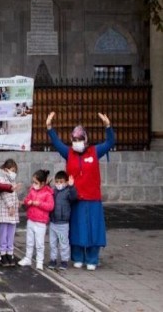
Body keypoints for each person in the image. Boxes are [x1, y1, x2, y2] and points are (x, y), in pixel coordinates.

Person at [46, 111, 114, 270]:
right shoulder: (68, 153)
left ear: (86, 139)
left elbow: (110, 142)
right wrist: (49, 127)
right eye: (74, 139)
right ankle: (77, 256)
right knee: (76, 228)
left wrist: (108, 126)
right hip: (75, 199)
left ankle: (92, 258)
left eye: (80, 139)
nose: (77, 142)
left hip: (92, 199)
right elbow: (56, 142)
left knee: (93, 229)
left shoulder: (95, 152)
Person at [18, 170, 55, 270]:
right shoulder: (32, 190)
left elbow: (50, 206)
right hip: (31, 220)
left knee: (39, 243)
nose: (34, 184)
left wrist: (39, 204)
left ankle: (39, 261)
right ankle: (28, 258)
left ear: (42, 183)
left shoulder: (48, 193)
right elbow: (26, 200)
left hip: (41, 222)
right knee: (29, 241)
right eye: (33, 182)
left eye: (36, 183)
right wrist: (28, 202)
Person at [48, 171, 77, 270]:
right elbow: (47, 195)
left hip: (62, 224)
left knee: (63, 243)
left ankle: (64, 261)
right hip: (53, 223)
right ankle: (53, 259)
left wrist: (72, 186)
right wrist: (47, 185)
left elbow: (74, 197)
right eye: (57, 181)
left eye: (61, 181)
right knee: (52, 243)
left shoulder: (68, 192)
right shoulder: (53, 191)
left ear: (66, 182)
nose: (59, 184)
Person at [0, 159, 20, 267]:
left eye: (15, 170)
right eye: (12, 170)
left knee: (11, 234)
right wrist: (10, 205)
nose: (14, 172)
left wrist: (17, 203)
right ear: (6, 169)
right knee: (3, 234)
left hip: (13, 212)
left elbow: (14, 194)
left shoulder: (12, 180)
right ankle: (2, 253)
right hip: (5, 211)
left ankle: (10, 253)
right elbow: (4, 194)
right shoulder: (1, 179)